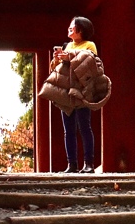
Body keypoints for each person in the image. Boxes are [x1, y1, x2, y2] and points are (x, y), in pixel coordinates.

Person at [45, 16, 106, 173]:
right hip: (67, 92)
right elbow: (57, 69)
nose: (69, 30)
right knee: (69, 129)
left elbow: (89, 62)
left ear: (80, 30)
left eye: (72, 27)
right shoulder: (68, 46)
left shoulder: (89, 45)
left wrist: (69, 57)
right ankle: (71, 164)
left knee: (85, 126)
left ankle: (89, 164)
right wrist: (57, 59)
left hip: (82, 91)